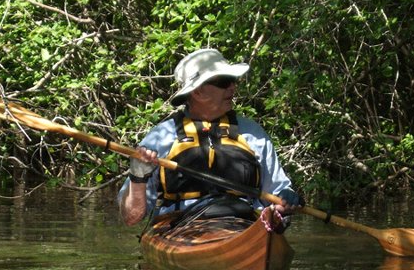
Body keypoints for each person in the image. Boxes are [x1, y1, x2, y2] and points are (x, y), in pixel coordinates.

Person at [118, 48, 302, 230]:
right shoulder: (160, 138)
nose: (232, 87)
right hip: (181, 228)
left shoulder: (253, 133)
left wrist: (285, 199)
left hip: (243, 225)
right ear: (197, 92)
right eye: (223, 82)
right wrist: (138, 177)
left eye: (232, 80)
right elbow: (131, 217)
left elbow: (277, 193)